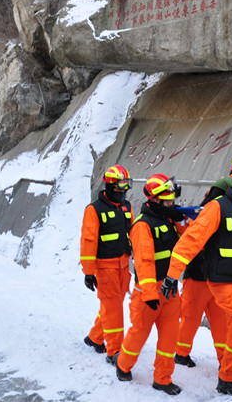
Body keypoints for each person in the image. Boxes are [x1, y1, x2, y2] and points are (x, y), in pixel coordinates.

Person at [162, 152, 232, 396]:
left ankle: (227, 379)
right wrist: (173, 275)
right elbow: (190, 242)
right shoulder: (217, 208)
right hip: (223, 284)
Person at [114, 174, 188, 394]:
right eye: (167, 200)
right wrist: (149, 293)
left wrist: (179, 219)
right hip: (149, 292)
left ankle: (163, 379)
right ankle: (123, 365)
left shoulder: (169, 219)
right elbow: (143, 262)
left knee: (169, 339)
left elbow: (187, 240)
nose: (171, 203)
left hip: (170, 289)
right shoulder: (142, 225)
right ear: (154, 200)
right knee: (138, 334)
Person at [80, 164, 133, 364]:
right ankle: (114, 351)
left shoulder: (127, 206)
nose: (123, 191)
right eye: (119, 187)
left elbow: (133, 232)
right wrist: (88, 272)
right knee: (113, 309)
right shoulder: (94, 210)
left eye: (126, 187)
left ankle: (95, 337)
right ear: (109, 186)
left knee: (114, 305)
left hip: (123, 265)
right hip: (105, 267)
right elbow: (88, 241)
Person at [175, 189, 229, 369]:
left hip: (212, 279)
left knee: (212, 321)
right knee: (192, 319)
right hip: (203, 278)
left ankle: (224, 360)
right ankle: (182, 354)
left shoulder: (206, 216)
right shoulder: (204, 218)